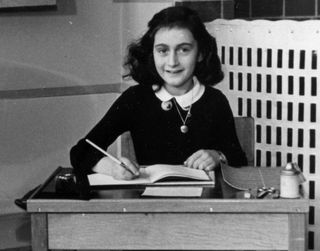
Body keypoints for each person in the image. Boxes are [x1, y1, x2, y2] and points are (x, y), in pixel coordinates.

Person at [70, 6, 247, 182]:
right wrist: (112, 167)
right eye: (162, 51)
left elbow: (239, 158)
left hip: (204, 205)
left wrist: (217, 156)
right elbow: (81, 152)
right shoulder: (135, 99)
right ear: (152, 54)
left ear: (200, 53)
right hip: (149, 206)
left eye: (184, 49)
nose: (172, 62)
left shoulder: (215, 101)